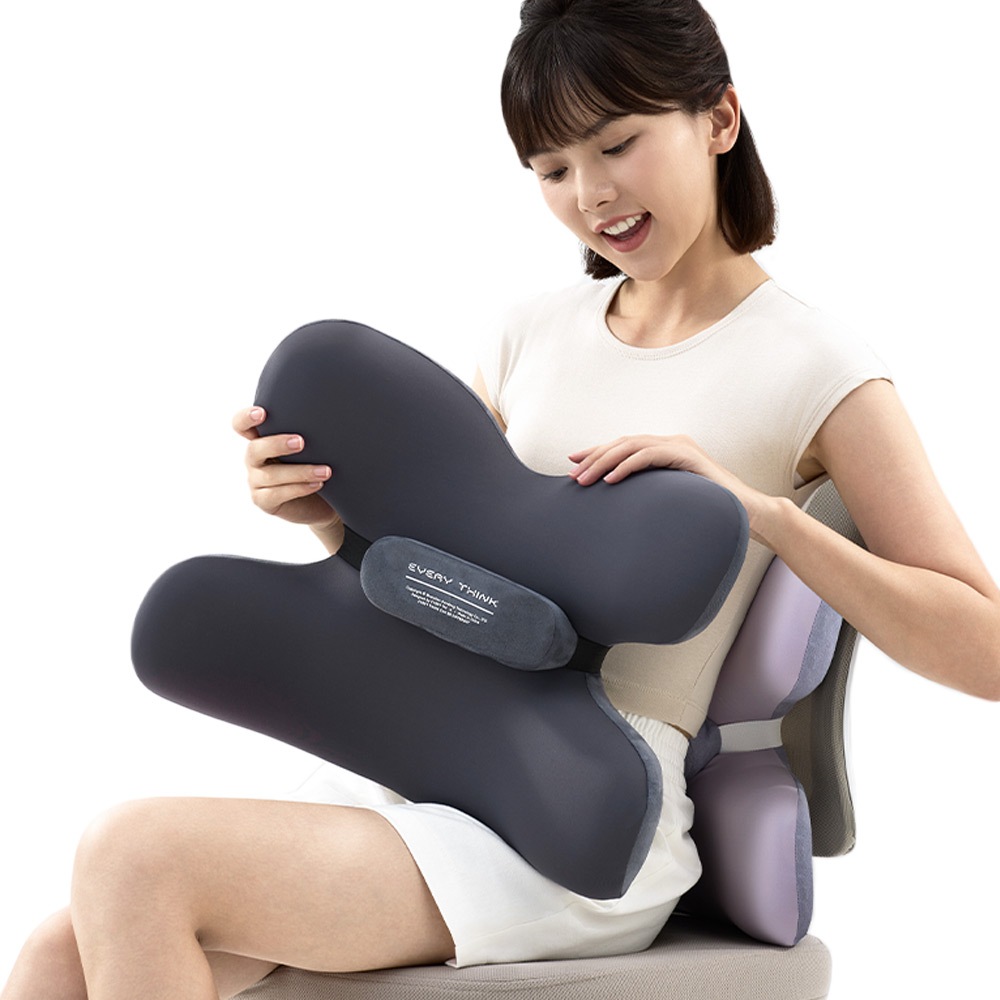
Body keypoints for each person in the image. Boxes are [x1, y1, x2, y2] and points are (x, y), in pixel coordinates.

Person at [3, 1, 998, 997]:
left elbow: (985, 650)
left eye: (618, 144)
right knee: (60, 954)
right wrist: (323, 517)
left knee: (138, 854)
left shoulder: (818, 366)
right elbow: (453, 564)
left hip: (580, 809)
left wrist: (766, 515)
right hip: (429, 744)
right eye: (552, 169)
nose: (592, 194)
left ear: (719, 120)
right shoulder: (531, 332)